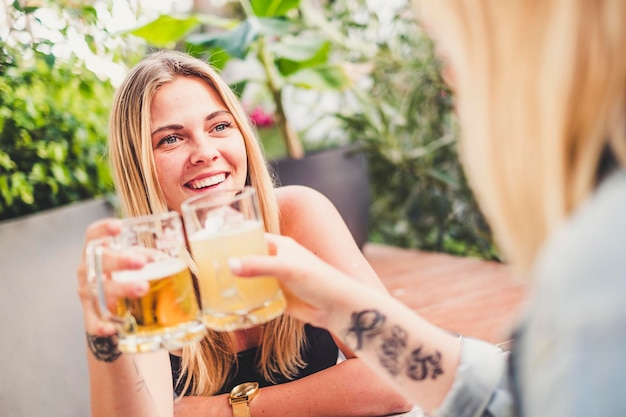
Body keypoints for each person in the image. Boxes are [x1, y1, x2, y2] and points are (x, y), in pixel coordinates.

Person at [229, 1, 626, 416]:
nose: (448, 80)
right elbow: (504, 395)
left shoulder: (601, 265)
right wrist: (338, 306)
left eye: (452, 52)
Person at [75, 50, 413, 417]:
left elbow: (400, 375)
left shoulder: (296, 215)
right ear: (138, 164)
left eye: (220, 126)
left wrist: (218, 410)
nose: (205, 152)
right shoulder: (145, 271)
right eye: (171, 139)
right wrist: (103, 336)